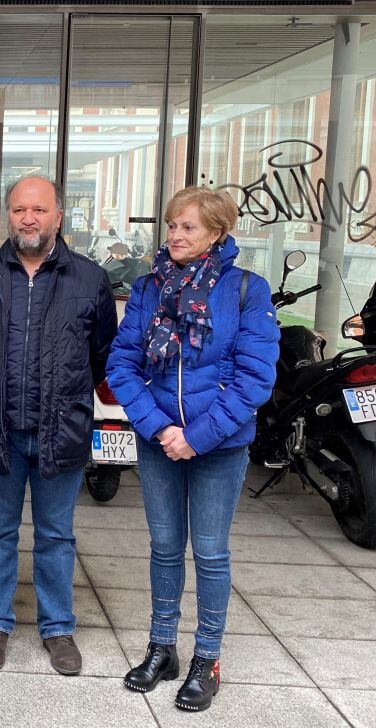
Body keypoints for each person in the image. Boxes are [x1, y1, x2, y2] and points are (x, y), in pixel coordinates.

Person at [107, 187, 278, 712]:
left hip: (219, 448)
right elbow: (122, 365)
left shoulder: (247, 290)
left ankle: (207, 658)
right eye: (172, 226)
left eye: (189, 228)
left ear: (217, 233)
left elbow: (255, 379)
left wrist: (196, 436)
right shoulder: (147, 287)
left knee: (209, 551)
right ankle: (163, 648)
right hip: (159, 441)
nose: (176, 236)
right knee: (163, 547)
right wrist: (161, 430)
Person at [0, 176, 116, 676]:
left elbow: (102, 357)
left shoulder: (90, 280)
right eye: (20, 209)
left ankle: (58, 628)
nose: (29, 218)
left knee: (55, 535)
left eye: (40, 210)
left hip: (60, 429)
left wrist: (66, 398)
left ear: (59, 216)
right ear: (8, 215)